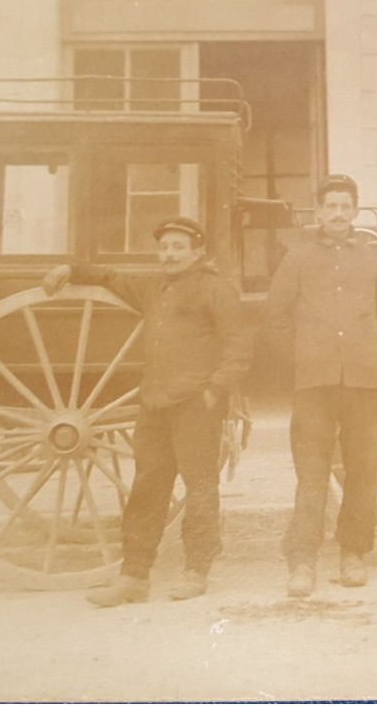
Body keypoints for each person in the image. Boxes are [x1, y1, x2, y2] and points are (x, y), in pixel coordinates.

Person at [41, 216, 251, 606]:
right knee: (147, 489)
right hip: (154, 404)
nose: (169, 254)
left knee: (200, 489)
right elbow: (110, 277)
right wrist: (71, 269)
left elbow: (239, 347)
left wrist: (214, 393)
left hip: (195, 406)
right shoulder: (153, 287)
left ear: (197, 251)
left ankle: (196, 570)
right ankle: (134, 576)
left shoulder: (216, 289)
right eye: (164, 247)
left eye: (178, 247)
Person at [265, 175, 377, 598]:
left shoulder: (372, 260)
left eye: (346, 206)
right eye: (331, 207)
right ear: (319, 212)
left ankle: (352, 554)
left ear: (355, 212)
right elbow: (275, 318)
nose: (339, 214)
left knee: (362, 471)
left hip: (364, 381)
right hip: (316, 383)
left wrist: (370, 354)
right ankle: (303, 561)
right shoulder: (298, 258)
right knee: (312, 473)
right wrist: (305, 358)